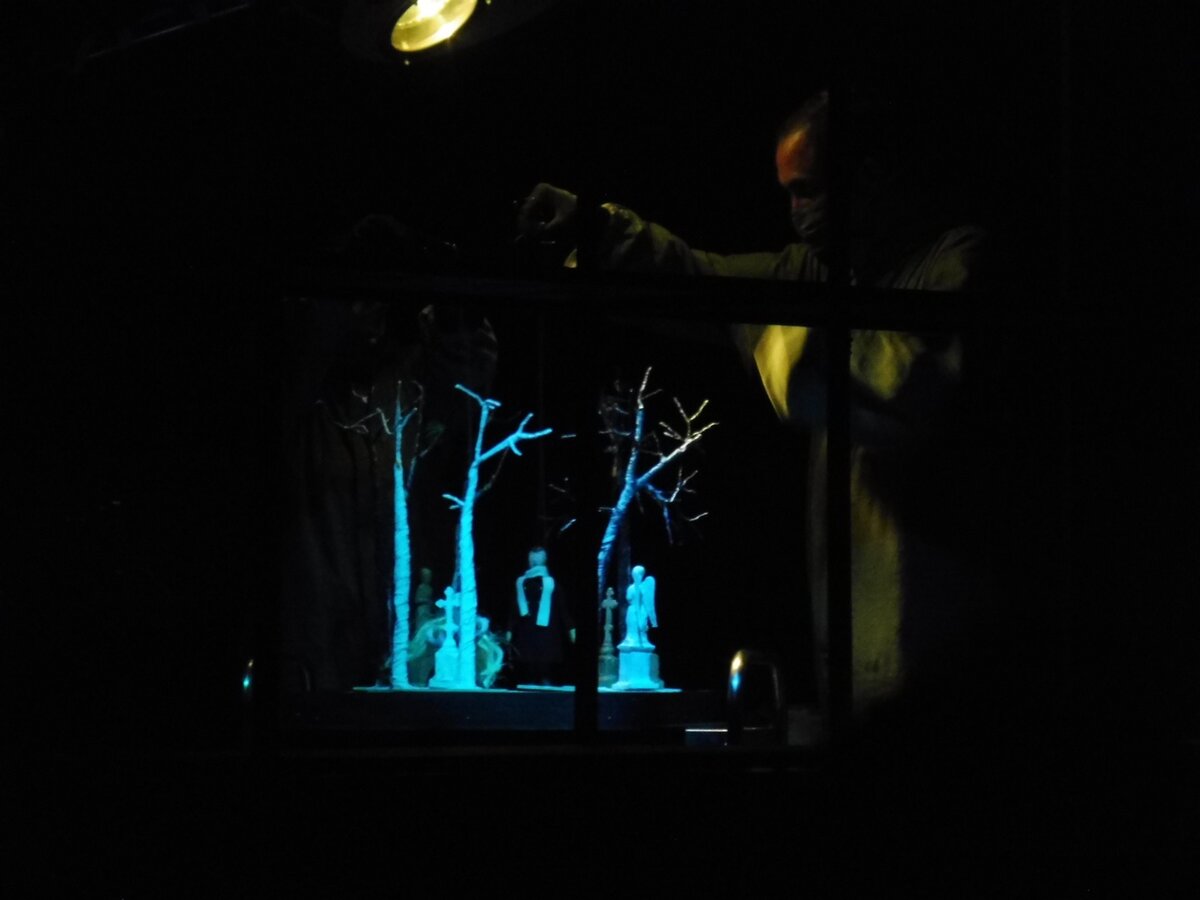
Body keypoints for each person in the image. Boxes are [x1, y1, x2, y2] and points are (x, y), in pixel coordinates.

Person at [517, 90, 1002, 715]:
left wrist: (788, 340)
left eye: (808, 191)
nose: (796, 214)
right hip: (859, 662)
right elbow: (696, 278)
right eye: (788, 195)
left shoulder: (956, 263)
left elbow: (910, 386)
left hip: (950, 661)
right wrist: (598, 229)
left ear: (868, 178)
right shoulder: (821, 274)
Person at [507, 547, 576, 686]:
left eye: (538, 558)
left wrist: (570, 628)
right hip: (527, 629)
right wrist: (510, 629)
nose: (535, 561)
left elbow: (562, 608)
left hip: (547, 631)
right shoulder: (521, 582)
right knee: (528, 666)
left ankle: (546, 681)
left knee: (546, 665)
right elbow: (514, 609)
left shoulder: (551, 583)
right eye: (533, 558)